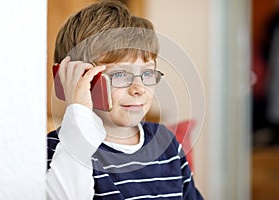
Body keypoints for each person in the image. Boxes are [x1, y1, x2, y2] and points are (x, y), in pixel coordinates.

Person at [46, 1, 203, 199]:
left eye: (147, 73)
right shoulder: (60, 148)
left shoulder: (166, 142)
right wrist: (78, 116)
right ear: (76, 78)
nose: (138, 89)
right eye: (120, 74)